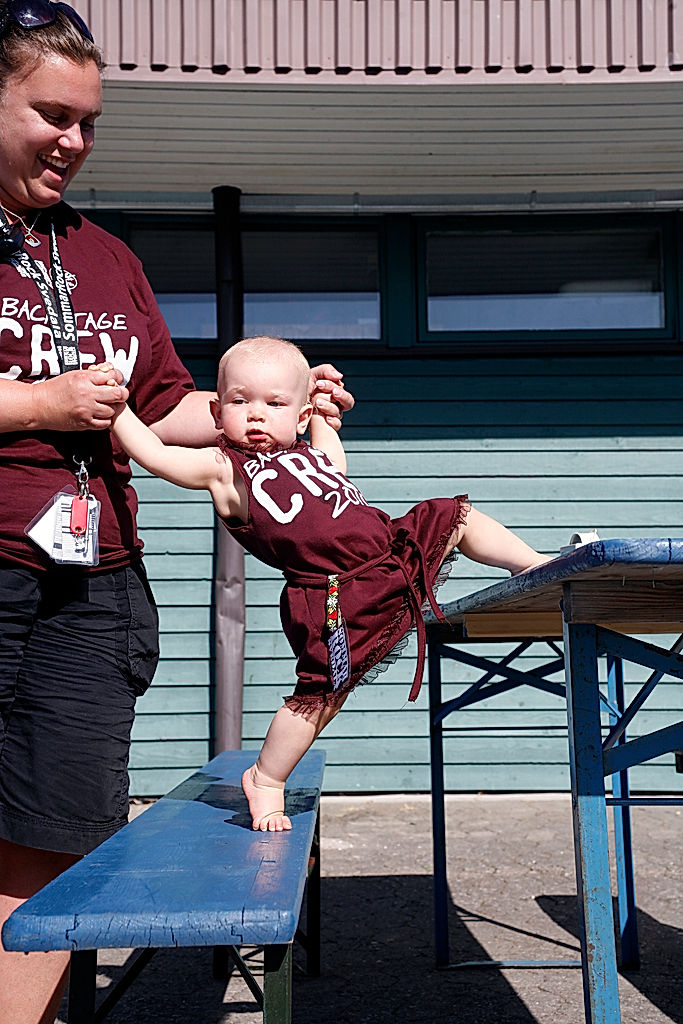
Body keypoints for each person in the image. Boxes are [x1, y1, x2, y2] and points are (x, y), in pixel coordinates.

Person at [0, 6, 353, 1023]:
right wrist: (36, 403)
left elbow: (161, 404)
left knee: (58, 831)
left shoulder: (106, 255)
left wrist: (271, 410)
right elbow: (72, 401)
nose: (73, 140)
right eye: (50, 114)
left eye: (88, 121)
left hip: (93, 584)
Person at [107, 335, 552, 835]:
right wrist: (118, 409)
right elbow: (154, 454)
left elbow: (335, 463)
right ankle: (266, 778)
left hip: (391, 551)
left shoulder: (311, 454)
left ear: (297, 417)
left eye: (274, 404)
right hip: (334, 594)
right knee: (320, 695)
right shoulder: (221, 469)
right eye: (240, 401)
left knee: (455, 515)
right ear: (216, 412)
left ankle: (533, 565)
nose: (256, 415)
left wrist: (319, 409)